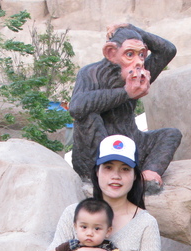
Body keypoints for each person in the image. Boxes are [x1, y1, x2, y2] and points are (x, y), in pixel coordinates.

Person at [68, 23, 181, 190]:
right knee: (88, 116)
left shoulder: (138, 72)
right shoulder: (91, 72)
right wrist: (126, 92)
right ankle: (103, 172)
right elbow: (76, 107)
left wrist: (132, 28)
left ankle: (149, 175)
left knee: (171, 134)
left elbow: (168, 50)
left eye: (141, 54)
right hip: (99, 150)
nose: (138, 62)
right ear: (111, 53)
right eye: (130, 54)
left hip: (130, 142)